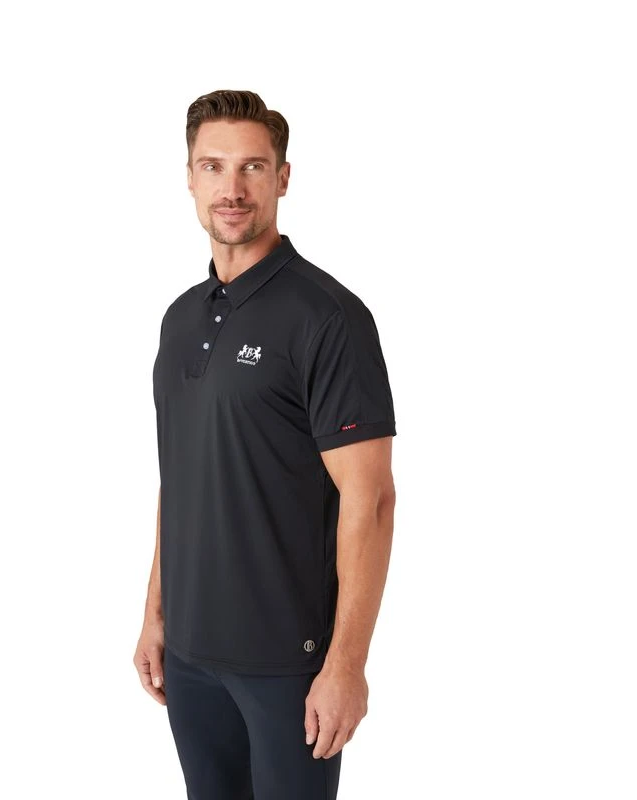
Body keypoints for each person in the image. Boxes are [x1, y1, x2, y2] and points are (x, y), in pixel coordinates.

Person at [134, 89, 397, 800]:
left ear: (282, 178)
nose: (232, 188)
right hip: (191, 656)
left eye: (252, 167)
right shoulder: (180, 320)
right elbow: (180, 476)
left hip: (288, 664)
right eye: (213, 166)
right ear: (189, 177)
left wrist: (346, 664)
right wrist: (156, 614)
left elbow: (370, 498)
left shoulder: (328, 317)